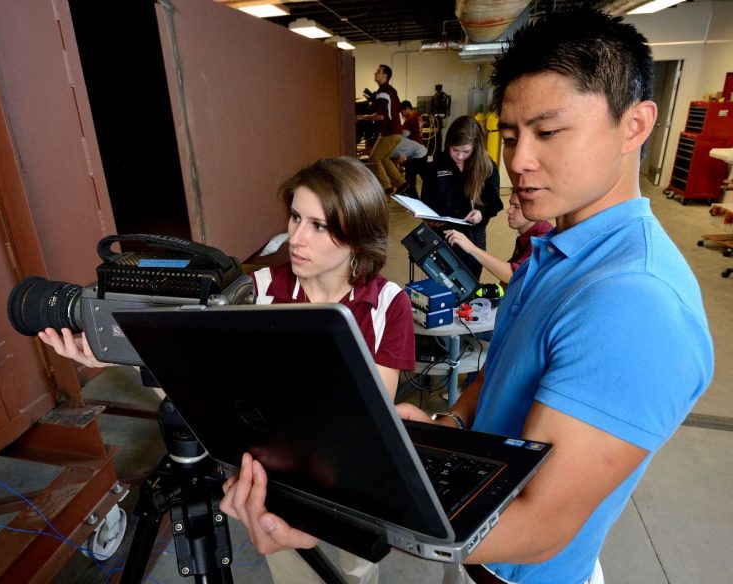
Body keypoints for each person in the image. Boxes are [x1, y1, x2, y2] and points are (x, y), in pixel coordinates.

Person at [218, 9, 714, 584]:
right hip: (474, 545)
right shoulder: (556, 246)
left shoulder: (634, 303)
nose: (519, 161)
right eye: (509, 135)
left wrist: (336, 520)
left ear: (635, 124)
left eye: (548, 132)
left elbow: (538, 526)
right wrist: (450, 423)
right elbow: (504, 368)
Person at [38, 156, 416, 584]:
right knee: (294, 573)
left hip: (352, 487)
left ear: (358, 237)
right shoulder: (255, 292)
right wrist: (123, 356)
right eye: (295, 216)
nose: (295, 237)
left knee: (356, 571)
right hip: (276, 481)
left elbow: (369, 418)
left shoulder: (388, 305)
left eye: (319, 225)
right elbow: (207, 404)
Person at [421, 115, 503, 280]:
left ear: (476, 147)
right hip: (441, 233)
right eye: (455, 150)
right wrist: (428, 217)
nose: (459, 156)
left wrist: (481, 214)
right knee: (440, 285)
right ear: (448, 145)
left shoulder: (487, 167)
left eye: (466, 151)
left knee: (468, 284)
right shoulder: (437, 164)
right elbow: (426, 199)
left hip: (472, 236)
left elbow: (494, 204)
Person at [444, 191, 552, 287]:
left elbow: (514, 276)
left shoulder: (543, 235)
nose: (509, 211)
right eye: (510, 205)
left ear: (534, 208)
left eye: (516, 206)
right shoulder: (527, 233)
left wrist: (472, 248)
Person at [357, 65, 404, 195]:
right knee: (384, 158)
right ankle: (401, 183)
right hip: (396, 132)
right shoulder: (391, 90)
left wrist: (361, 117)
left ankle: (387, 186)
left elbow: (381, 116)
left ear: (385, 76)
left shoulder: (383, 91)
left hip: (389, 132)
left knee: (373, 158)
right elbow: (397, 109)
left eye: (378, 71)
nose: (375, 73)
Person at [392, 100, 427, 199]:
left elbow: (404, 135)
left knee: (410, 179)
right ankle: (426, 197)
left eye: (402, 112)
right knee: (425, 177)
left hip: (414, 153)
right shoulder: (418, 116)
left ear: (407, 109)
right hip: (420, 149)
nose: (402, 114)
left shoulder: (410, 120)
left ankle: (414, 201)